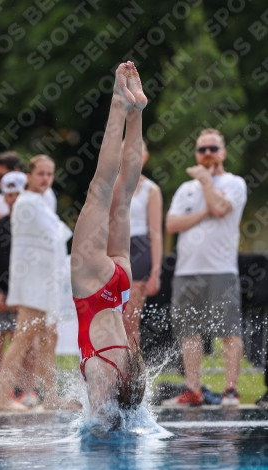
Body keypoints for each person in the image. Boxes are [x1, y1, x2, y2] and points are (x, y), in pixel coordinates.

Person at [71, 61, 147, 425]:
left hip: (120, 287)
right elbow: (102, 431)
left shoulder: (131, 375)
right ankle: (120, 105)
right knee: (100, 190)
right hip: (93, 288)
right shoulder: (105, 376)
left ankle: (136, 114)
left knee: (124, 194)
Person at [164, 128, 247, 407]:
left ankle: (230, 390)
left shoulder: (235, 183)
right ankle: (193, 389)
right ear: (196, 154)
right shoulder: (185, 189)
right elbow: (172, 224)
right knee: (189, 332)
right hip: (186, 270)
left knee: (229, 331)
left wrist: (206, 182)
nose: (208, 153)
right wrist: (203, 211)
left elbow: (221, 208)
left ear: (223, 152)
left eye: (213, 148)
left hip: (221, 268)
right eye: (202, 149)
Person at [0, 155, 73, 411]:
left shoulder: (40, 201)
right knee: (23, 338)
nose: (46, 179)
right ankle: (1, 397)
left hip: (45, 282)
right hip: (32, 284)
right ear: (29, 175)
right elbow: (58, 232)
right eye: (41, 173)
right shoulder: (27, 202)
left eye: (50, 174)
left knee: (50, 337)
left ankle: (50, 398)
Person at [0, 171, 37, 409]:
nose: (12, 198)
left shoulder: (31, 225)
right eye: (8, 194)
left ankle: (29, 390)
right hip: (1, 292)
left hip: (24, 294)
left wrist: (22, 296)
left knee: (27, 343)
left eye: (16, 193)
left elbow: (33, 260)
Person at [123, 142, 163, 348]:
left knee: (130, 321)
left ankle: (132, 375)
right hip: (115, 249)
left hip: (138, 250)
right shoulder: (111, 186)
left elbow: (155, 233)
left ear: (144, 158)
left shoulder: (151, 190)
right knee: (112, 319)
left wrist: (155, 271)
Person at [0, 151, 57, 230]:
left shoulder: (44, 192)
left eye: (0, 176)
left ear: (16, 172)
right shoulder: (1, 198)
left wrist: (2, 217)